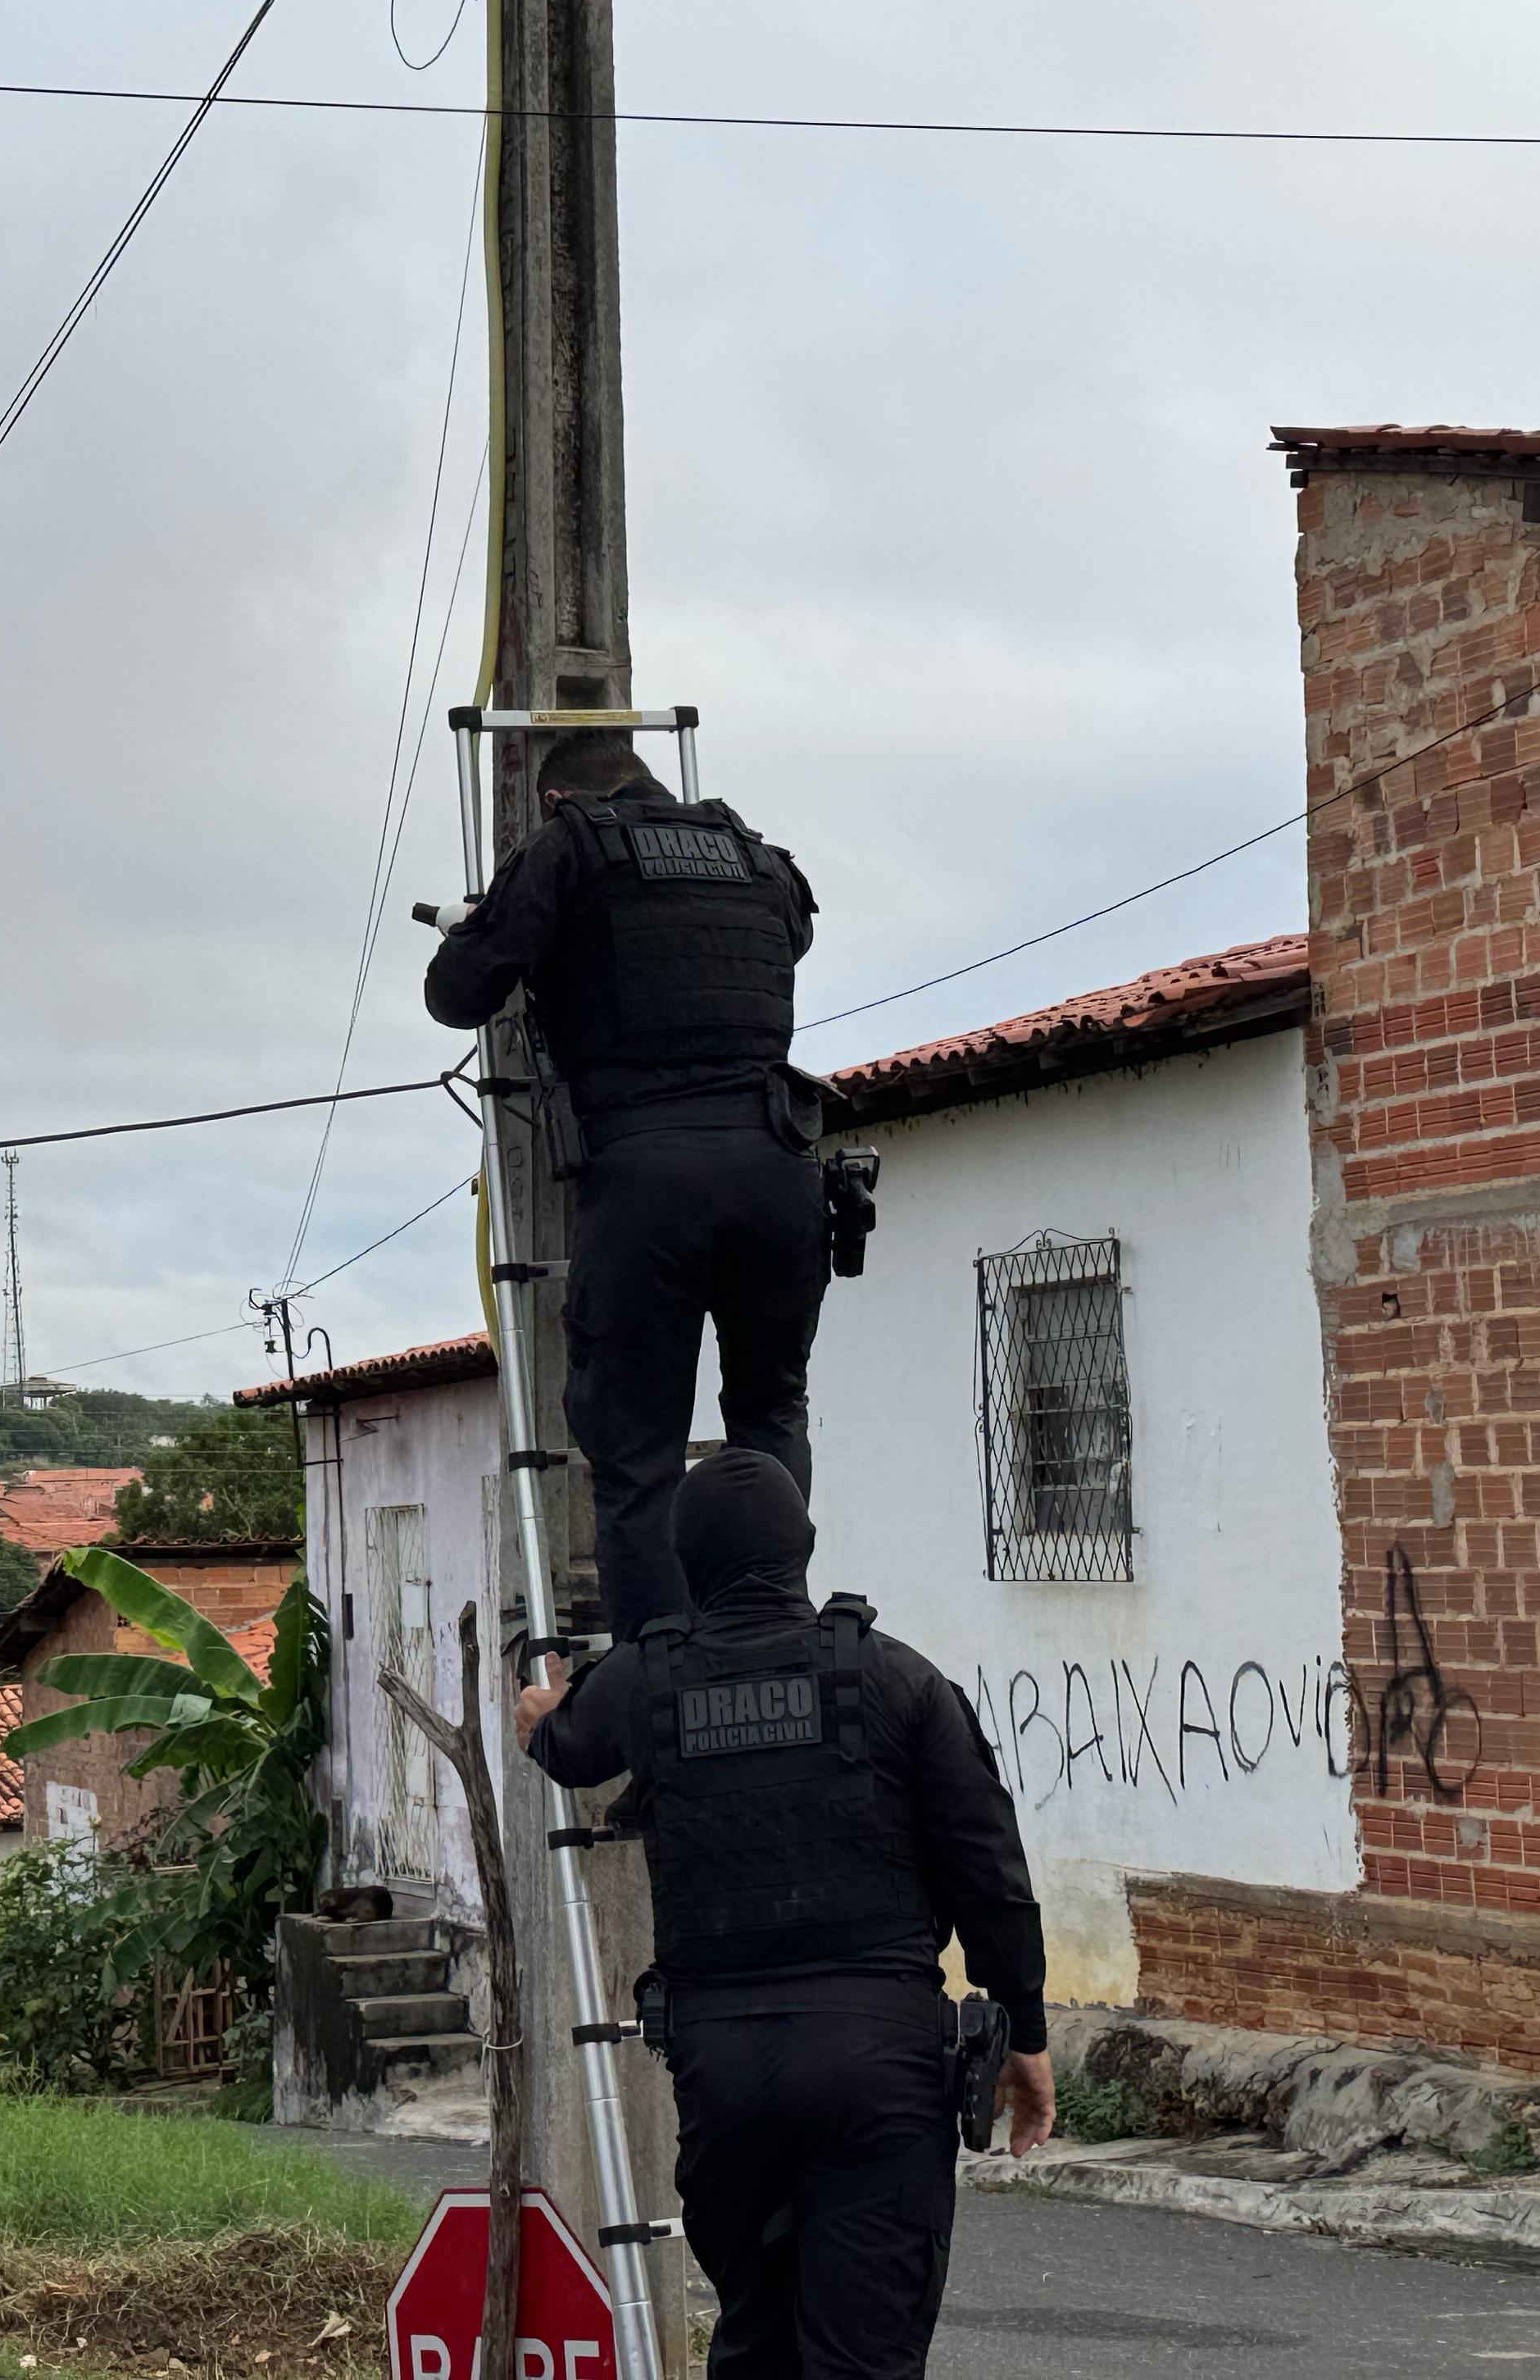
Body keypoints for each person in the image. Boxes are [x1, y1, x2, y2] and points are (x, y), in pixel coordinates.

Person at [512, 1451, 1053, 2380]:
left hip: (726, 2079)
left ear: (688, 1561)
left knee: (757, 2347)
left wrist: (541, 1713)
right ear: (801, 1547)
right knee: (863, 2360)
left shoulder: (649, 1680)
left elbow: (566, 1741)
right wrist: (1027, 2035)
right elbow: (988, 1873)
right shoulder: (899, 1681)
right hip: (877, 2069)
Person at [424, 727, 827, 1639]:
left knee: (638, 1456)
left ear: (554, 799)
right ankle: (773, 1636)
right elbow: (781, 945)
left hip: (647, 1180)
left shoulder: (569, 849)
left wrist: (500, 924)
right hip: (778, 1169)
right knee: (770, 1411)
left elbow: (458, 993)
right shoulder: (757, 857)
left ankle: (665, 1667)